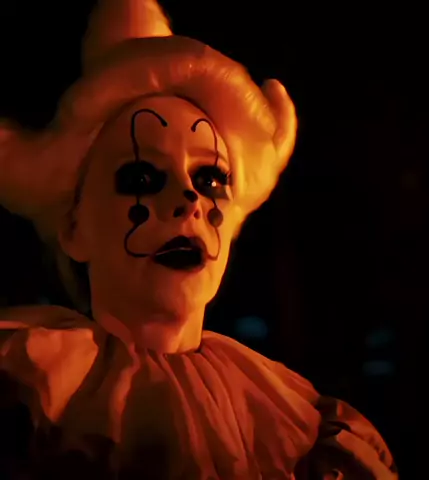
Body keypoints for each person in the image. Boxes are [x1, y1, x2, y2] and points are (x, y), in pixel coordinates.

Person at [0, 0, 398, 478]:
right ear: (73, 228)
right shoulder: (26, 388)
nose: (189, 201)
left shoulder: (299, 423)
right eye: (143, 177)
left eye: (210, 178)